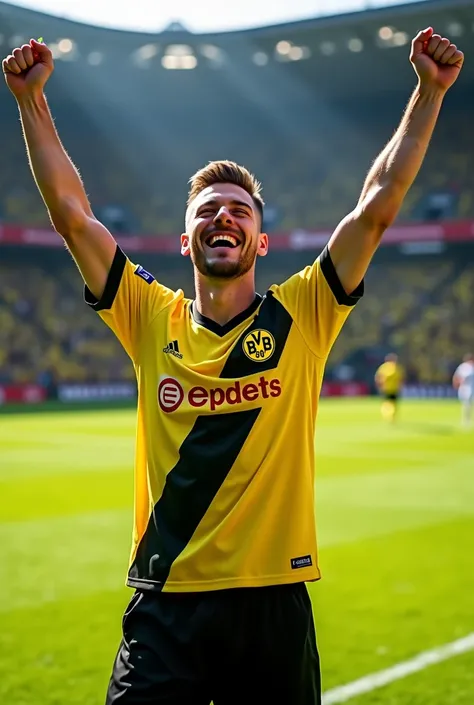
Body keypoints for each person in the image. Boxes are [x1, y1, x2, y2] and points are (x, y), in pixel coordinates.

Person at [2, 27, 464, 705]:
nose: (226, 216)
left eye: (241, 210)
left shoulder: (303, 313)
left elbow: (378, 205)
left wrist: (428, 93)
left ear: (262, 239)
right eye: (210, 210)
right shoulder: (148, 315)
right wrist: (31, 101)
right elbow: (73, 217)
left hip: (271, 602)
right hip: (164, 605)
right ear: (186, 238)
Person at [374, 352, 405, 422]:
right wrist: (400, 386)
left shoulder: (383, 367)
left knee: (387, 402)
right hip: (393, 388)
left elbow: (378, 377)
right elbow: (400, 379)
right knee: (393, 403)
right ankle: (392, 416)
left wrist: (379, 385)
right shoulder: (397, 368)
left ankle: (387, 414)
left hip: (386, 388)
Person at [452, 353, 474, 427]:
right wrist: (456, 384)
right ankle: (466, 421)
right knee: (466, 404)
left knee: (468, 404)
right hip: (466, 387)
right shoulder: (463, 367)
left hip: (472, 387)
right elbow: (457, 376)